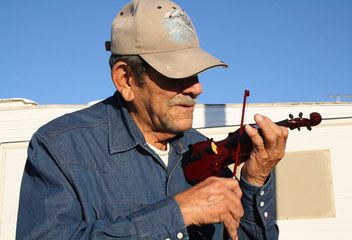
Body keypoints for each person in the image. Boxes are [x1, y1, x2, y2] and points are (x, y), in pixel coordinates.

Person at [16, 0, 288, 239]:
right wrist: (178, 213)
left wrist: (255, 180)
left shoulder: (206, 153)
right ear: (127, 80)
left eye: (196, 73)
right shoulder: (60, 147)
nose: (196, 88)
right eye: (177, 73)